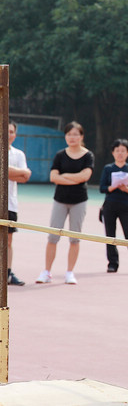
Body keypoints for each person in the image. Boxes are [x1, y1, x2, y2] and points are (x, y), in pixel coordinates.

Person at [36, 121, 94, 285]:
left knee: (74, 238)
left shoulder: (88, 155)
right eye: (69, 134)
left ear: (81, 136)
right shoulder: (60, 155)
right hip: (60, 200)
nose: (72, 137)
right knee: (52, 237)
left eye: (75, 134)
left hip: (79, 201)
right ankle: (46, 272)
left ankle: (69, 272)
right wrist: (73, 178)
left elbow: (85, 176)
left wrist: (64, 177)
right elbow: (53, 177)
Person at [99, 139, 128, 274]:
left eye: (123, 151)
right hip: (109, 207)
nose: (120, 153)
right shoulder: (108, 169)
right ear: (113, 153)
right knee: (110, 236)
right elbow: (102, 188)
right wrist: (112, 187)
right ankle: (112, 264)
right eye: (117, 151)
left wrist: (127, 189)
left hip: (125, 207)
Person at [7, 120, 32, 286]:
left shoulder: (19, 154)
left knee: (8, 241)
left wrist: (9, 172)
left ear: (14, 135)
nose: (7, 134)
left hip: (10, 204)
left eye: (10, 131)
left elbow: (26, 177)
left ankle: (7, 274)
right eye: (4, 130)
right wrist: (19, 172)